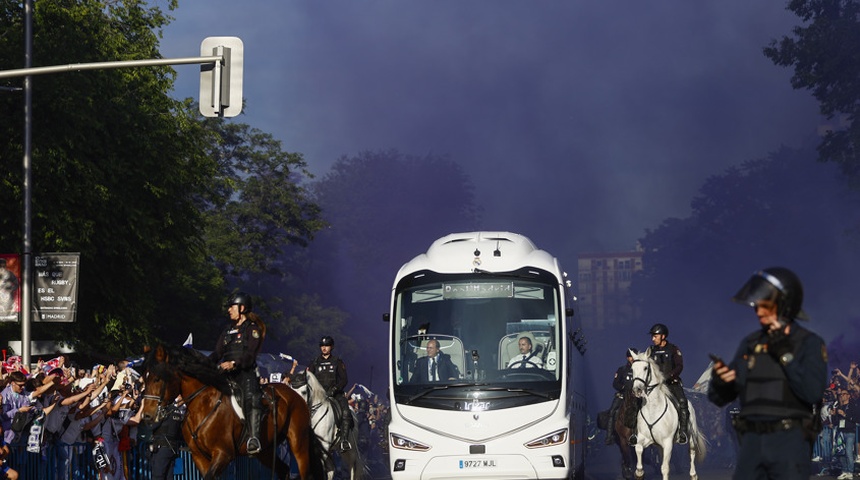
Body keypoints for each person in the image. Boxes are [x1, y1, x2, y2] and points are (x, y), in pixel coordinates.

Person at [709, 267, 828, 480]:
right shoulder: (751, 343)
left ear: (786, 304)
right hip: (752, 441)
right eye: (757, 306)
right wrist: (721, 381)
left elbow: (812, 392)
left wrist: (784, 354)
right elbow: (719, 398)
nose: (759, 312)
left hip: (789, 441)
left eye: (766, 306)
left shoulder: (808, 344)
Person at [210, 291, 265, 455]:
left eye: (232, 307)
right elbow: (217, 353)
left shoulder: (252, 329)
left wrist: (234, 363)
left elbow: (250, 354)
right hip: (225, 375)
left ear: (242, 308)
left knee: (252, 398)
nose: (229, 310)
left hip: (244, 373)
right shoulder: (227, 331)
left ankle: (254, 438)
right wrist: (202, 363)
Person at [646, 323, 690, 444]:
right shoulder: (651, 350)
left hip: (671, 383)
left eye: (655, 336)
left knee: (682, 402)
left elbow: (680, 366)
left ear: (663, 336)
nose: (653, 339)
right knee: (638, 402)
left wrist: (668, 375)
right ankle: (636, 433)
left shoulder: (673, 349)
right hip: (655, 386)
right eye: (652, 336)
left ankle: (683, 432)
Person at [310, 335, 353, 452]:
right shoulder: (314, 362)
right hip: (318, 395)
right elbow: (309, 377)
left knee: (346, 412)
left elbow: (344, 379)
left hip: (335, 393)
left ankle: (344, 440)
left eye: (327, 346)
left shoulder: (337, 362)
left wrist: (335, 389)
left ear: (332, 347)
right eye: (322, 346)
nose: (324, 348)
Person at [149, 395, 186, 480]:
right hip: (171, 448)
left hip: (161, 448)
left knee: (158, 475)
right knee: (169, 476)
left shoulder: (165, 411)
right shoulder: (177, 412)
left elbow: (152, 426)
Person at [605, 348, 637, 445]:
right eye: (631, 356)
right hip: (623, 396)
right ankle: (609, 436)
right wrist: (623, 387)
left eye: (634, 356)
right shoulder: (622, 370)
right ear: (628, 358)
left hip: (635, 396)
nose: (633, 358)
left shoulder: (640, 368)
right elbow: (615, 384)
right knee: (612, 412)